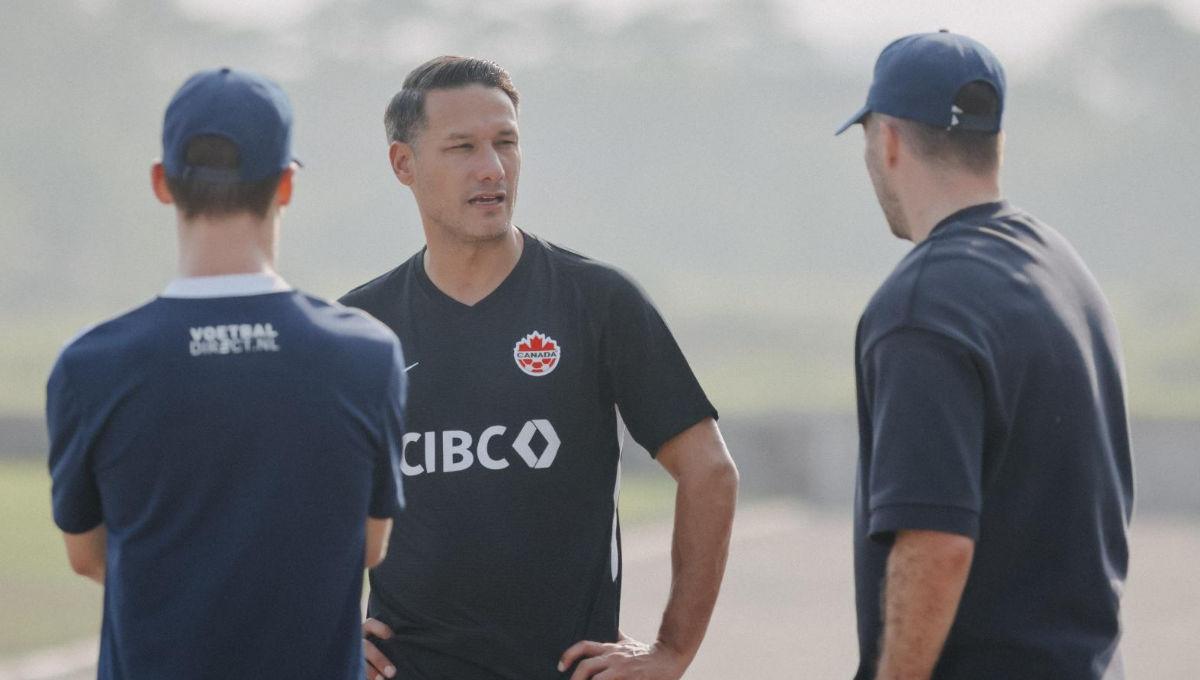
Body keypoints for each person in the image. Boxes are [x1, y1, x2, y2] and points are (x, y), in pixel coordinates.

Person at [339, 56, 739, 680]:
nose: (491, 168)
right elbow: (294, 494)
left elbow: (709, 471)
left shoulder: (597, 301)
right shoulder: (360, 327)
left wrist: (672, 650)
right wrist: (325, 625)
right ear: (403, 164)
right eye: (462, 147)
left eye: (506, 143)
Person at [45, 68, 408, 680]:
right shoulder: (367, 354)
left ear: (162, 182)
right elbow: (368, 545)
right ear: (287, 185)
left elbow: (89, 557)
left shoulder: (90, 365)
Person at [836, 31, 1133, 680]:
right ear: (994, 144)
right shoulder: (1060, 267)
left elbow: (935, 545)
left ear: (887, 141)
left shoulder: (921, 308)